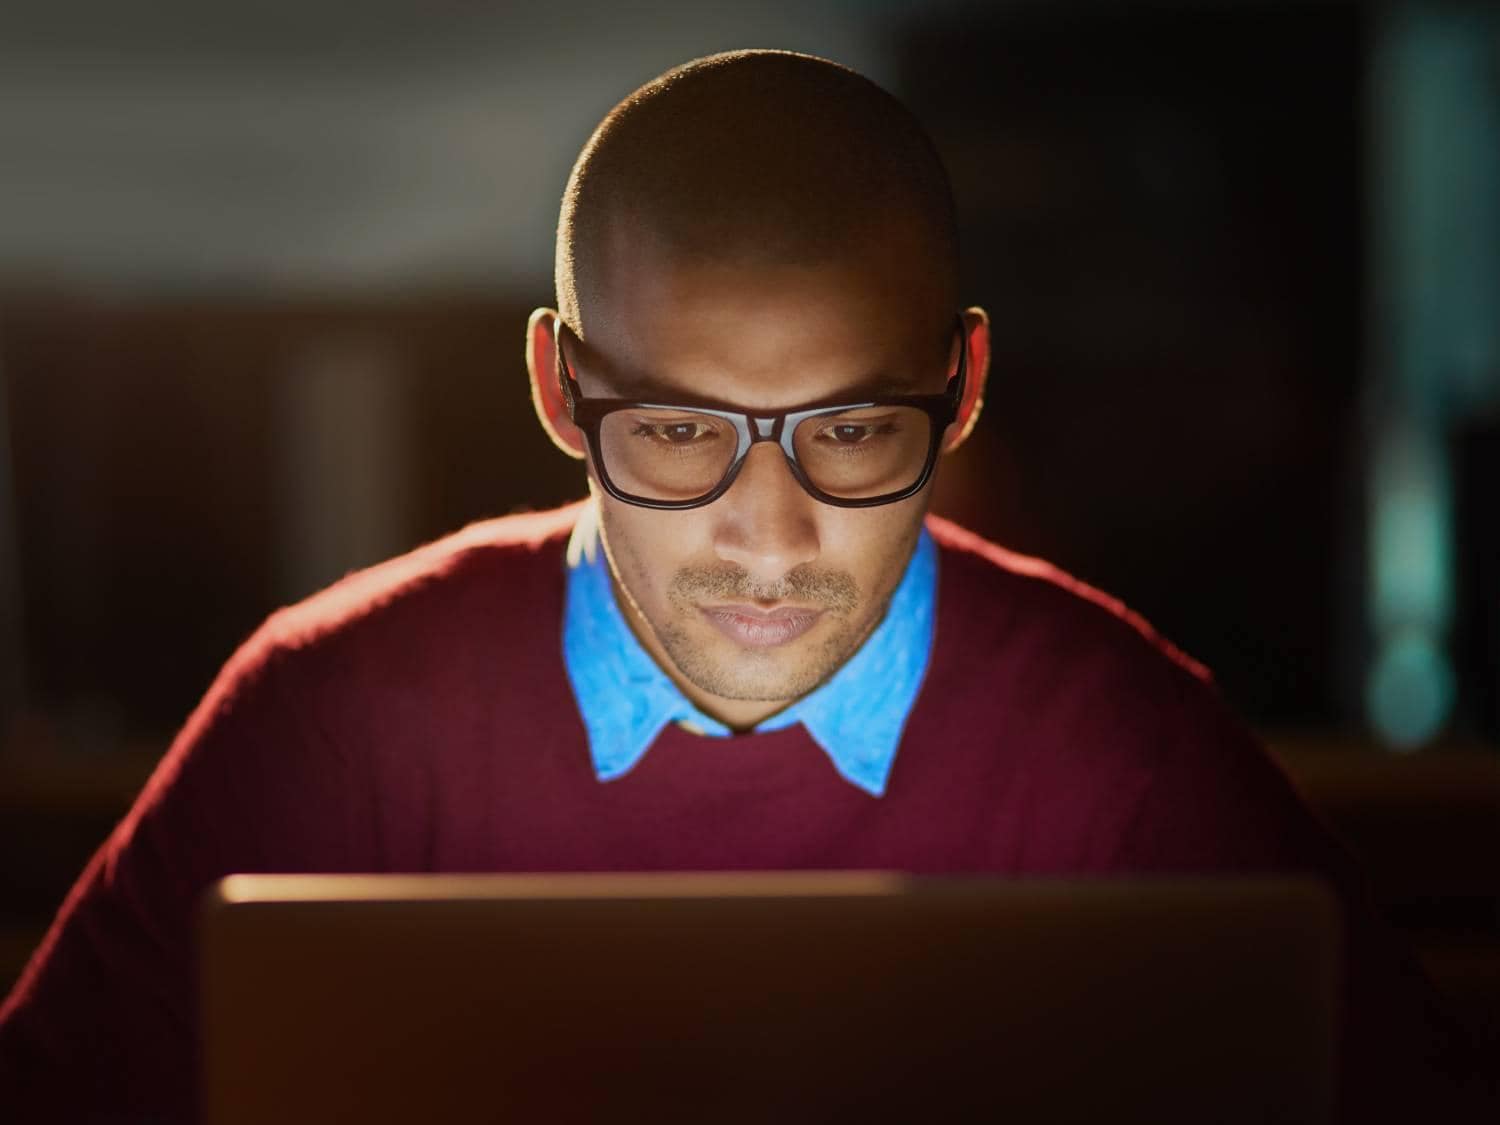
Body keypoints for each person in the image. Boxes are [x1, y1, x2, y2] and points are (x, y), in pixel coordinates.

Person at [0, 49, 1484, 1124]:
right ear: (560, 390)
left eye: (848, 431)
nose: (768, 541)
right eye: (677, 434)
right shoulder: (331, 710)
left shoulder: (1120, 740)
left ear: (961, 387)